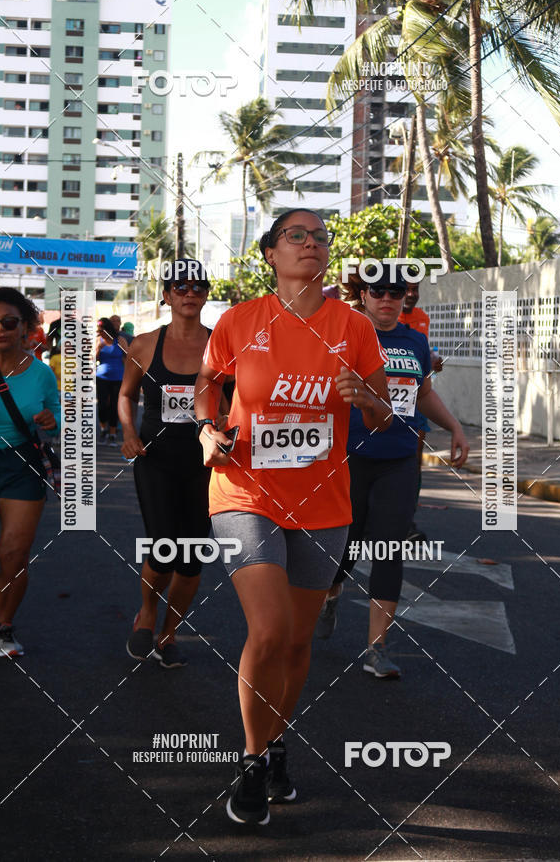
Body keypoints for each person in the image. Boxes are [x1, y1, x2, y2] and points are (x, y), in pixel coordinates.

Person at [194, 209, 392, 825]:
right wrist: (207, 427)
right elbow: (207, 382)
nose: (311, 244)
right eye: (296, 236)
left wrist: (367, 399)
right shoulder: (239, 321)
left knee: (299, 641)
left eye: (320, 237)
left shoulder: (353, 326)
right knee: (271, 630)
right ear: (270, 254)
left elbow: (384, 412)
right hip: (243, 493)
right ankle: (254, 760)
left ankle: (277, 741)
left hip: (323, 503)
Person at [315, 268, 469, 678]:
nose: (387, 299)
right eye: (378, 291)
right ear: (364, 296)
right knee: (345, 547)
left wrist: (454, 427)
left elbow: (424, 394)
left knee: (389, 548)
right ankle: (331, 591)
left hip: (399, 458)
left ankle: (376, 648)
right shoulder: (345, 338)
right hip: (351, 457)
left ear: (405, 298)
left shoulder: (415, 341)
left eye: (395, 292)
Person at [119, 261, 228, 669]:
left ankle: (169, 633)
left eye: (198, 286)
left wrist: (226, 425)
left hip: (206, 464)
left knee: (192, 555)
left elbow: (235, 400)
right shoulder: (145, 344)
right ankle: (147, 613)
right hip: (156, 460)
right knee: (164, 546)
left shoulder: (222, 345)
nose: (190, 293)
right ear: (166, 295)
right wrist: (129, 432)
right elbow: (126, 394)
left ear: (206, 294)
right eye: (180, 286)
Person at [0, 288, 60, 657]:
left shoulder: (41, 374)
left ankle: (4, 628)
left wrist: (51, 419)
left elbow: (58, 413)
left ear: (24, 327)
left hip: (21, 464)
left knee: (14, 553)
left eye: (8, 322)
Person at [398, 279, 443, 541]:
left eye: (415, 289)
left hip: (414, 400)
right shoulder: (378, 316)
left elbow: (424, 354)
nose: (411, 294)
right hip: (379, 402)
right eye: (405, 289)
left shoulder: (422, 318)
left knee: (413, 462)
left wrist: (434, 360)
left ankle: (407, 521)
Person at [96, 317, 125, 445]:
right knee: (102, 406)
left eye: (100, 331)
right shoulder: (98, 340)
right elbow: (91, 359)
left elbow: (128, 356)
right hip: (102, 377)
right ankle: (103, 430)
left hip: (117, 378)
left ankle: (112, 433)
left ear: (107, 330)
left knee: (114, 406)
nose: (99, 333)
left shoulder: (119, 340)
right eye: (98, 331)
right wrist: (98, 348)